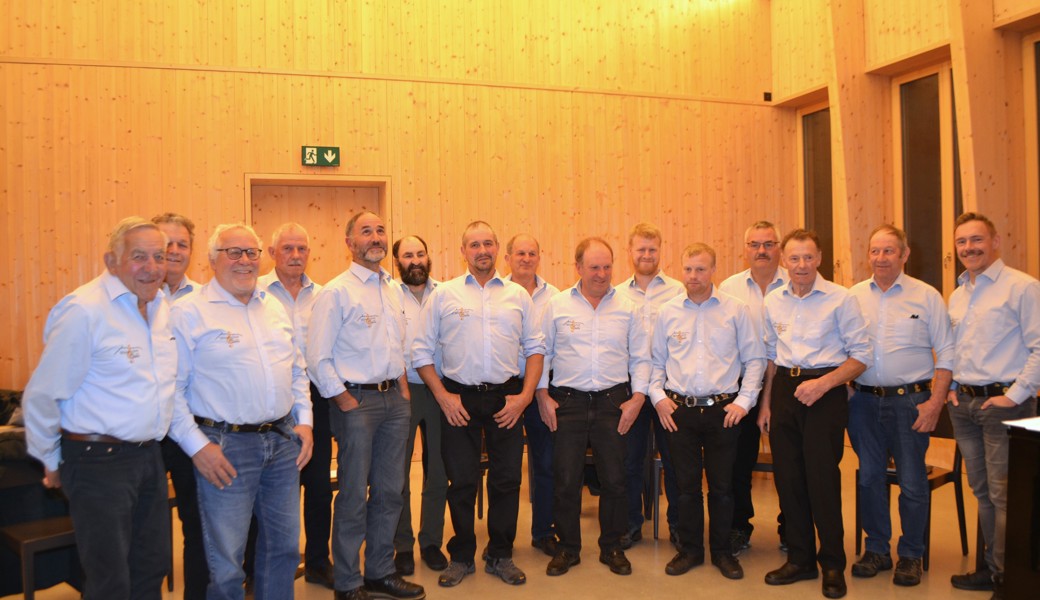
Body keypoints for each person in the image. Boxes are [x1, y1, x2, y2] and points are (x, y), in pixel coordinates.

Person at [24, 216, 175, 599]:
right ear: (112, 262)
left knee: (151, 566)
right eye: (139, 257)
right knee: (110, 580)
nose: (152, 267)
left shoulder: (160, 307)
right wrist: (50, 459)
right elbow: (42, 395)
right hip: (96, 461)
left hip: (148, 457)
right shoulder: (83, 311)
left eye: (159, 256)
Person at [168, 223, 313, 600]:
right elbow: (169, 391)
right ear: (213, 259)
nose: (245, 261)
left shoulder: (274, 306)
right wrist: (198, 447)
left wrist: (307, 423)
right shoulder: (188, 313)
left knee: (283, 549)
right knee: (226, 563)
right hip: (224, 448)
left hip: (282, 444)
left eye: (251, 253)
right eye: (234, 252)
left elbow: (297, 369)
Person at [412, 221, 545, 587]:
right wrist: (443, 396)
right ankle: (462, 555)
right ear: (463, 251)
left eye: (488, 243)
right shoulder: (444, 295)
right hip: (459, 398)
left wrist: (525, 397)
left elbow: (535, 349)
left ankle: (501, 554)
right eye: (474, 244)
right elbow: (421, 351)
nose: (482, 250)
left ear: (497, 247)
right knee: (462, 481)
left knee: (506, 480)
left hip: (507, 398)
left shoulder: (518, 296)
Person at [307, 212, 426, 600]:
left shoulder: (392, 289)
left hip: (395, 400)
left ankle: (380, 571)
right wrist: (344, 399)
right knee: (355, 493)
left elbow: (397, 347)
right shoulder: (336, 292)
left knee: (391, 491)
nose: (375, 237)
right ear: (349, 241)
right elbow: (317, 358)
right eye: (366, 231)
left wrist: (404, 391)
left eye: (379, 231)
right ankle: (347, 581)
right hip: (356, 403)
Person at [759, 228, 870, 599]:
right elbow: (771, 357)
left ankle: (832, 564)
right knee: (788, 480)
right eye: (794, 258)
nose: (801, 265)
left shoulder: (841, 299)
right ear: (783, 261)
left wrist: (823, 384)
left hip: (826, 393)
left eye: (808, 257)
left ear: (819, 258)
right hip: (786, 393)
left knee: (822, 480)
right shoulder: (774, 301)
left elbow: (860, 357)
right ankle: (801, 559)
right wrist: (767, 404)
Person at [650, 243, 765, 581]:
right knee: (684, 488)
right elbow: (656, 362)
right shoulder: (668, 311)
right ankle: (690, 550)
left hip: (723, 412)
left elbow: (755, 359)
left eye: (700, 269)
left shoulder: (736, 310)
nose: (693, 276)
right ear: (681, 270)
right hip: (679, 412)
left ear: (713, 270)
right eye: (688, 269)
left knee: (723, 487)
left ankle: (723, 552)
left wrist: (744, 402)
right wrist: (658, 397)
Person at [847, 225, 953, 587]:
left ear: (904, 255)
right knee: (870, 477)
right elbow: (844, 348)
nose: (880, 258)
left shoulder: (927, 297)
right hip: (862, 401)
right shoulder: (854, 296)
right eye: (875, 251)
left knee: (911, 481)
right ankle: (876, 548)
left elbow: (947, 353)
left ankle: (911, 555)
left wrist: (936, 402)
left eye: (889, 251)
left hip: (912, 402)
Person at [536, 237, 648, 577]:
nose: (601, 274)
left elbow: (642, 357)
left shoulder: (629, 307)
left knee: (615, 479)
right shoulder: (557, 305)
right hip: (567, 400)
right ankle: (568, 548)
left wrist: (638, 398)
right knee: (566, 478)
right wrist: (542, 395)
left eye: (607, 267)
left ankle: (612, 547)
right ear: (578, 267)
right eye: (594, 267)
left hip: (614, 400)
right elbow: (543, 353)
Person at [946, 212, 1040, 600]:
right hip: (964, 405)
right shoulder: (957, 292)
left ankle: (1009, 579)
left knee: (1006, 496)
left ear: (996, 241)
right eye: (962, 242)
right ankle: (991, 568)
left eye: (976, 240)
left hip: (1005, 406)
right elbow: (957, 347)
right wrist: (951, 385)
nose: (969, 248)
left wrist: (1013, 395)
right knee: (982, 491)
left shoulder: (1022, 287)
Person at [257, 222, 333, 589]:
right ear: (272, 254)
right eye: (287, 248)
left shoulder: (323, 295)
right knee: (266, 489)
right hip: (268, 401)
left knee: (318, 485)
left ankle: (318, 561)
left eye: (302, 248)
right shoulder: (255, 293)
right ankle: (257, 569)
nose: (296, 255)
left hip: (315, 399)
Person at [718, 220, 788, 556]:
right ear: (745, 250)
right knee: (737, 463)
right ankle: (738, 527)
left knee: (790, 463)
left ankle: (792, 528)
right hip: (740, 387)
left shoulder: (795, 283)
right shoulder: (729, 288)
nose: (762, 251)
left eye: (769, 244)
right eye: (755, 244)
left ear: (779, 248)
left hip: (785, 385)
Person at [613, 222, 683, 547]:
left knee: (676, 461)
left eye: (652, 249)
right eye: (640, 249)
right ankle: (629, 524)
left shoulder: (679, 291)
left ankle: (680, 527)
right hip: (632, 389)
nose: (646, 254)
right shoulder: (617, 294)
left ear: (660, 251)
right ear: (630, 252)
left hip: (671, 389)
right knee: (629, 459)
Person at [151, 212, 208, 599]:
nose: (174, 251)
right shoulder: (133, 297)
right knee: (146, 527)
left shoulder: (205, 299)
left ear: (192, 251)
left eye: (182, 244)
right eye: (166, 244)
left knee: (197, 523)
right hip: (144, 430)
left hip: (190, 429)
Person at [392, 235, 450, 576]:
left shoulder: (445, 294)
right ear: (397, 261)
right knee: (396, 473)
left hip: (440, 390)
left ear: (429, 257)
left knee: (439, 471)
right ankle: (401, 546)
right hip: (401, 392)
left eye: (420, 253)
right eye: (408, 255)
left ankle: (431, 542)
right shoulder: (387, 294)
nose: (415, 260)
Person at [504, 233, 561, 556]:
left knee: (546, 462)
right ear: (508, 258)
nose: (526, 258)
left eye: (532, 253)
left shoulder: (555, 297)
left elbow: (550, 348)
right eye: (520, 253)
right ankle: (504, 538)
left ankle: (544, 531)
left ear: (539, 257)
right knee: (507, 468)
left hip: (543, 388)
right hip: (507, 388)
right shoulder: (497, 293)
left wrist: (540, 391)